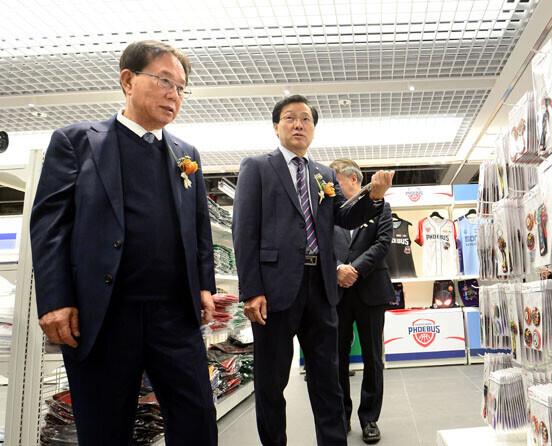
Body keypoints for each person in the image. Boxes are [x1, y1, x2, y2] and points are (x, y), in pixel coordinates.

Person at [29, 40, 217, 445]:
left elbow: (199, 227)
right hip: (104, 315)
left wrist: (204, 285)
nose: (174, 94)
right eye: (164, 81)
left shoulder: (186, 155)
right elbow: (50, 226)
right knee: (105, 429)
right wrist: (55, 300)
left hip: (174, 316)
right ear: (128, 80)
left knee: (198, 420)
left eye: (181, 88)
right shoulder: (76, 142)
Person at [232, 95, 394, 446]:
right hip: (274, 289)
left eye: (306, 119)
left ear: (313, 129)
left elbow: (344, 217)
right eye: (290, 118)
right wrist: (251, 290)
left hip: (321, 287)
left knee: (327, 379)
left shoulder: (323, 174)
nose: (299, 125)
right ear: (276, 126)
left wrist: (374, 198)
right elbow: (243, 231)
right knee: (271, 381)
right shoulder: (257, 168)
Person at [330, 158, 393, 444]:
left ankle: (370, 419)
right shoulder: (329, 210)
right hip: (337, 293)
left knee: (372, 358)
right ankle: (341, 416)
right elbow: (320, 245)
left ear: (353, 179)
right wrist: (337, 269)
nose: (331, 188)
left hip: (370, 291)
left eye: (336, 182)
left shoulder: (381, 206)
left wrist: (354, 269)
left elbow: (382, 243)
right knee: (337, 358)